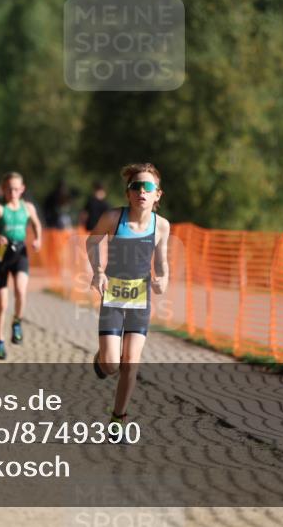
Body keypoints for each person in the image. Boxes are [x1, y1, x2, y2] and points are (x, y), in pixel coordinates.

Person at [85, 163, 170, 438]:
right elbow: (92, 241)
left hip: (140, 298)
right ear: (128, 193)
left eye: (148, 188)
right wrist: (98, 271)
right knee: (111, 365)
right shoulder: (113, 218)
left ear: (158, 195)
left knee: (130, 362)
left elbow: (162, 263)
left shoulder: (162, 226)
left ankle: (118, 418)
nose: (141, 192)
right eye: (136, 187)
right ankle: (100, 359)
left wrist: (163, 279)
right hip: (113, 296)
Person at [0, 172, 42, 360]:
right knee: (2, 303)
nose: (12, 192)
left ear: (22, 189)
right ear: (3, 190)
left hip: (20, 254)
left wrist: (38, 239)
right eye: (8, 189)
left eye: (16, 189)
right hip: (1, 256)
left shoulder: (28, 208)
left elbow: (37, 225)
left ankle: (17, 322)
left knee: (21, 292)